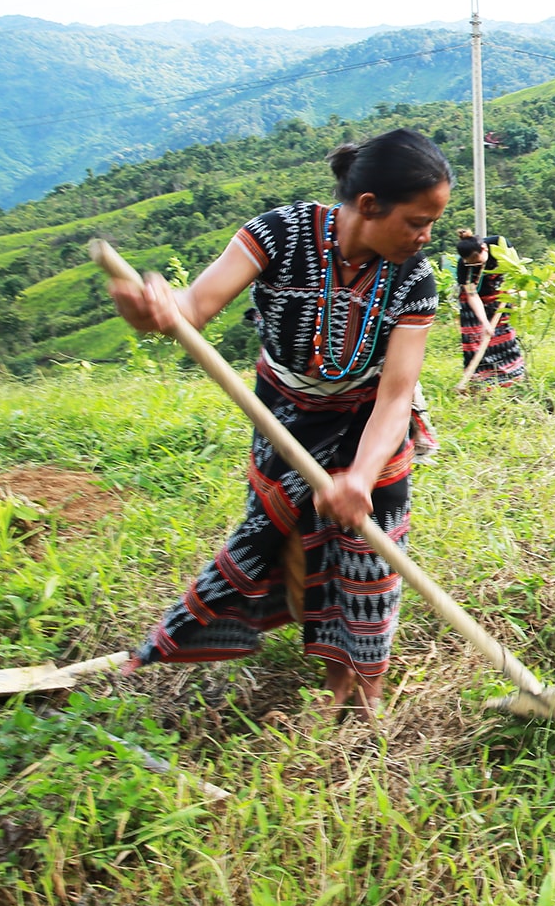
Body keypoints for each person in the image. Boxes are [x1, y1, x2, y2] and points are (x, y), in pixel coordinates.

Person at [107, 129, 452, 722]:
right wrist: (157, 313)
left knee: (372, 557)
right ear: (368, 206)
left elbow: (396, 397)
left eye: (431, 223)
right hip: (285, 416)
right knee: (300, 546)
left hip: (371, 419)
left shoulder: (413, 279)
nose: (425, 237)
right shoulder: (279, 235)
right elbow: (193, 308)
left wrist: (362, 478)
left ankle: (367, 690)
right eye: (417, 221)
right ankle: (333, 681)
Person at [455, 229, 526, 387]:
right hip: (473, 302)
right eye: (470, 262)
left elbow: (516, 268)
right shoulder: (463, 266)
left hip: (499, 294)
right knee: (475, 337)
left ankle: (511, 373)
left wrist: (516, 290)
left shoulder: (500, 244)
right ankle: (480, 378)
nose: (474, 264)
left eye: (476, 259)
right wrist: (485, 323)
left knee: (504, 334)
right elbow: (472, 295)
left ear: (484, 249)